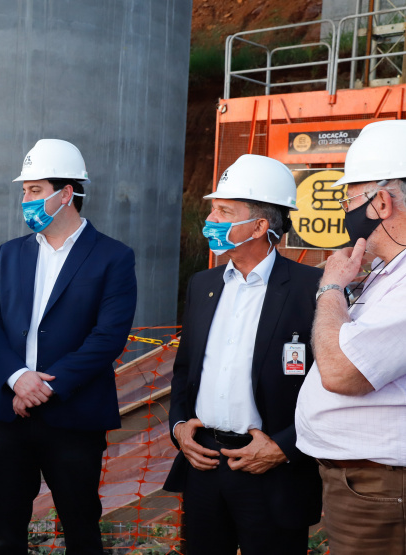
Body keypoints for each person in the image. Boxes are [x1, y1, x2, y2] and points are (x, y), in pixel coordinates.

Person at [0, 139, 137, 554]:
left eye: (34, 191)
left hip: (74, 418)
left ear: (66, 194)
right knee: (5, 532)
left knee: (81, 530)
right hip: (9, 417)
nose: (25, 200)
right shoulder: (10, 254)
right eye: (24, 191)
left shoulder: (113, 258)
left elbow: (108, 338)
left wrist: (44, 386)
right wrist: (17, 378)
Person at [164, 154, 322, 555]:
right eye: (212, 209)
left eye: (223, 211)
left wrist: (283, 448)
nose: (210, 220)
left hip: (271, 470)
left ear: (259, 226)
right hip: (204, 465)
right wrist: (180, 426)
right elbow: (185, 371)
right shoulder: (203, 285)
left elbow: (327, 387)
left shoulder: (312, 289)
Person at [296, 120, 406, 555]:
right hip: (361, 483)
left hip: (379, 489)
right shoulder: (387, 272)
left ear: (380, 201)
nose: (343, 209)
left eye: (349, 198)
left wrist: (330, 289)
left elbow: (342, 373)